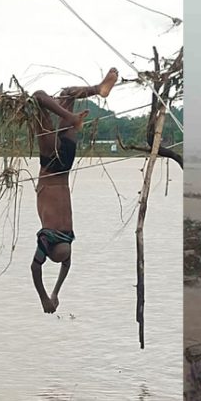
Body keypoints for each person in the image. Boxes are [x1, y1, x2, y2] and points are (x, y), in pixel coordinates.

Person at [29, 68, 118, 313]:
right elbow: (35, 270)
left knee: (68, 93)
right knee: (37, 97)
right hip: (51, 166)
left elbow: (66, 266)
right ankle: (73, 116)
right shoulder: (49, 238)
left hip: (66, 164)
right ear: (49, 250)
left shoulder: (68, 236)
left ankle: (98, 91)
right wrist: (45, 297)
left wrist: (56, 293)